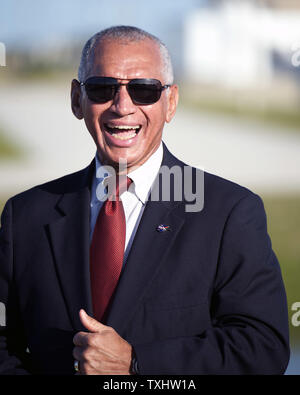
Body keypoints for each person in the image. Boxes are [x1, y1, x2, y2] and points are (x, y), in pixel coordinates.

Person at [0, 25, 290, 375]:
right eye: (102, 88)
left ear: (171, 102)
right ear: (77, 99)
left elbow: (262, 347)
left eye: (144, 90)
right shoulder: (25, 216)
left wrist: (137, 363)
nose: (123, 106)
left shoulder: (228, 213)